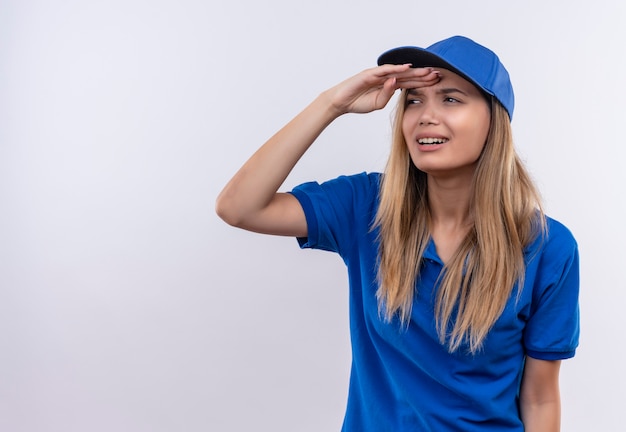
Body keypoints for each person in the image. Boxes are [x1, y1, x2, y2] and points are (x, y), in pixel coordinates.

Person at [215, 35, 580, 431]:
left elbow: (541, 397)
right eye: (414, 100)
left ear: (495, 120)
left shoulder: (548, 247)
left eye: (451, 99)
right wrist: (331, 104)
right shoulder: (367, 207)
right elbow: (238, 206)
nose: (426, 115)